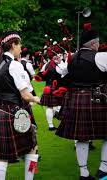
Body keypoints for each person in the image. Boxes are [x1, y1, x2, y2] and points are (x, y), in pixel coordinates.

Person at [0, 31, 40, 180]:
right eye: (19, 44)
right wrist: (39, 99)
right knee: (31, 148)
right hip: (16, 113)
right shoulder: (15, 65)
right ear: (13, 45)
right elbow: (26, 95)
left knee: (1, 155)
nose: (21, 48)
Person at [56, 25, 107, 180]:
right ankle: (104, 168)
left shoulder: (71, 58)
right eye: (97, 43)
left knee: (81, 137)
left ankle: (83, 173)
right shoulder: (100, 57)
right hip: (96, 99)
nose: (98, 45)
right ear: (93, 44)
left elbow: (62, 73)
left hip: (76, 99)